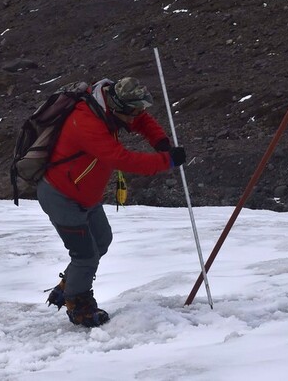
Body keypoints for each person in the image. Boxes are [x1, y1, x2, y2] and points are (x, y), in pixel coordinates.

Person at [38, 76, 187, 328]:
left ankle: (70, 284)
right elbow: (122, 159)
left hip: (86, 195)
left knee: (101, 241)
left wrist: (160, 142)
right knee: (85, 255)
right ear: (119, 108)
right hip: (61, 196)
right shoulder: (86, 121)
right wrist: (167, 161)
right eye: (132, 112)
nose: (136, 117)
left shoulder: (110, 107)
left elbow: (140, 118)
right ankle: (78, 305)